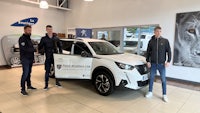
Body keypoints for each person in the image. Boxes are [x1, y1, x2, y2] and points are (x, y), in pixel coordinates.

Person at [145, 26, 171, 102]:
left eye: (160, 31)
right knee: (152, 78)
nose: (159, 32)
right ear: (154, 32)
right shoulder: (151, 41)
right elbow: (148, 52)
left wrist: (168, 61)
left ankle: (164, 94)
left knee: (163, 79)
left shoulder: (165, 41)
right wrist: (148, 61)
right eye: (157, 31)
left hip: (162, 64)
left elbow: (169, 52)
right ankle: (150, 92)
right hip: (153, 64)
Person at [38, 25, 63, 90]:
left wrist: (60, 53)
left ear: (52, 29)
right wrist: (42, 51)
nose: (50, 30)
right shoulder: (44, 39)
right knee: (47, 70)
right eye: (48, 29)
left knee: (57, 70)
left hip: (55, 56)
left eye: (51, 29)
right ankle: (46, 85)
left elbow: (60, 46)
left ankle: (57, 82)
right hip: (48, 56)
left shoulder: (56, 38)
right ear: (46, 30)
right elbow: (40, 47)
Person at [19, 25, 37, 96]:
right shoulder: (22, 39)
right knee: (25, 73)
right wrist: (35, 50)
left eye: (30, 30)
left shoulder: (29, 39)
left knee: (29, 72)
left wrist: (33, 59)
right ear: (25, 30)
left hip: (30, 59)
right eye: (28, 30)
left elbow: (31, 49)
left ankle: (29, 85)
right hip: (25, 59)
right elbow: (25, 49)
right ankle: (22, 89)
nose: (30, 31)